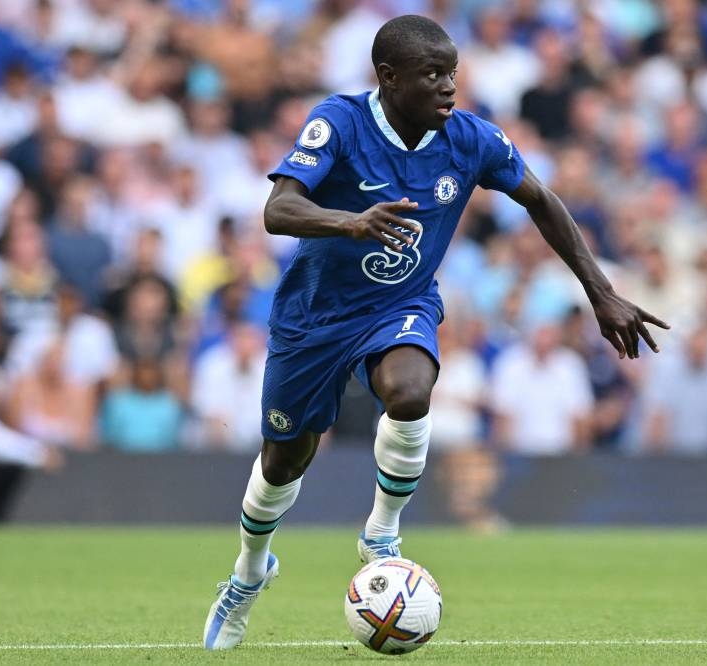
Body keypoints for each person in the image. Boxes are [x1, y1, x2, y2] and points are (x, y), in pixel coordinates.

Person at [203, 14, 669, 650]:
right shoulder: (338, 122)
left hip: (400, 301)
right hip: (313, 316)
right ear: (389, 78)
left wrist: (601, 292)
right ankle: (248, 574)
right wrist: (350, 222)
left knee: (411, 390)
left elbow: (540, 199)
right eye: (432, 74)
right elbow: (278, 209)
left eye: (452, 73)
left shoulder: (471, 138)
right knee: (284, 461)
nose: (449, 86)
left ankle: (381, 533)